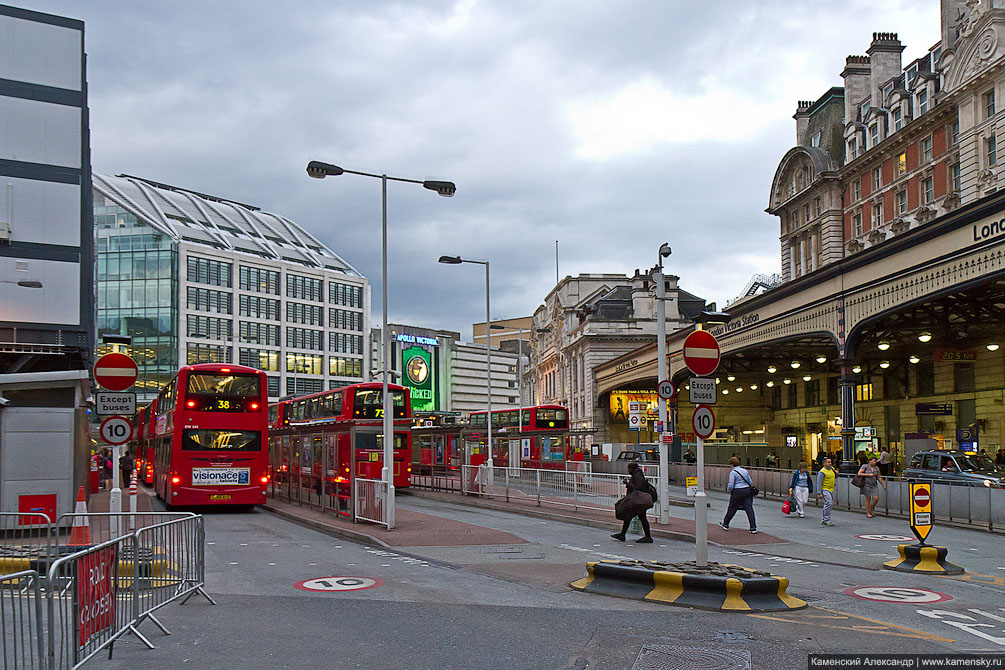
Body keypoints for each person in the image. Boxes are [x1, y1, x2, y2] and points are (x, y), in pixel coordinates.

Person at [611, 462, 654, 543]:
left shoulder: (638, 476)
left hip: (639, 501)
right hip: (637, 500)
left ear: (632, 469)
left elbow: (638, 487)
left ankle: (648, 537)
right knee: (629, 516)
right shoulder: (637, 474)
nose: (628, 470)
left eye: (628, 469)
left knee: (641, 517)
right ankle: (622, 535)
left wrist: (627, 483)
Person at [718, 456, 757, 534]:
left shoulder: (733, 472)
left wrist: (729, 490)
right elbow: (750, 481)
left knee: (732, 508)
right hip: (747, 491)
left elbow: (731, 484)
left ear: (732, 464)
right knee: (749, 509)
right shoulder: (744, 471)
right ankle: (753, 527)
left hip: (737, 492)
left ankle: (726, 524)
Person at [816, 457, 837, 526]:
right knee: (829, 503)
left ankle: (824, 519)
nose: (830, 463)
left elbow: (834, 476)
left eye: (830, 462)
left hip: (831, 489)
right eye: (828, 462)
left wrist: (836, 473)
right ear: (824, 463)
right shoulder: (822, 472)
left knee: (827, 504)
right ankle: (826, 519)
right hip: (825, 489)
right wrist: (819, 493)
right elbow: (819, 482)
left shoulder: (832, 469)